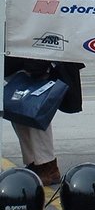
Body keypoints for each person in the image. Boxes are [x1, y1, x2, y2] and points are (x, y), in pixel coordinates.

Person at [4, 56, 85, 186]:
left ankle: (47, 165)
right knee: (19, 112)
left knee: (36, 113)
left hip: (36, 58)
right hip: (15, 60)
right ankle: (34, 163)